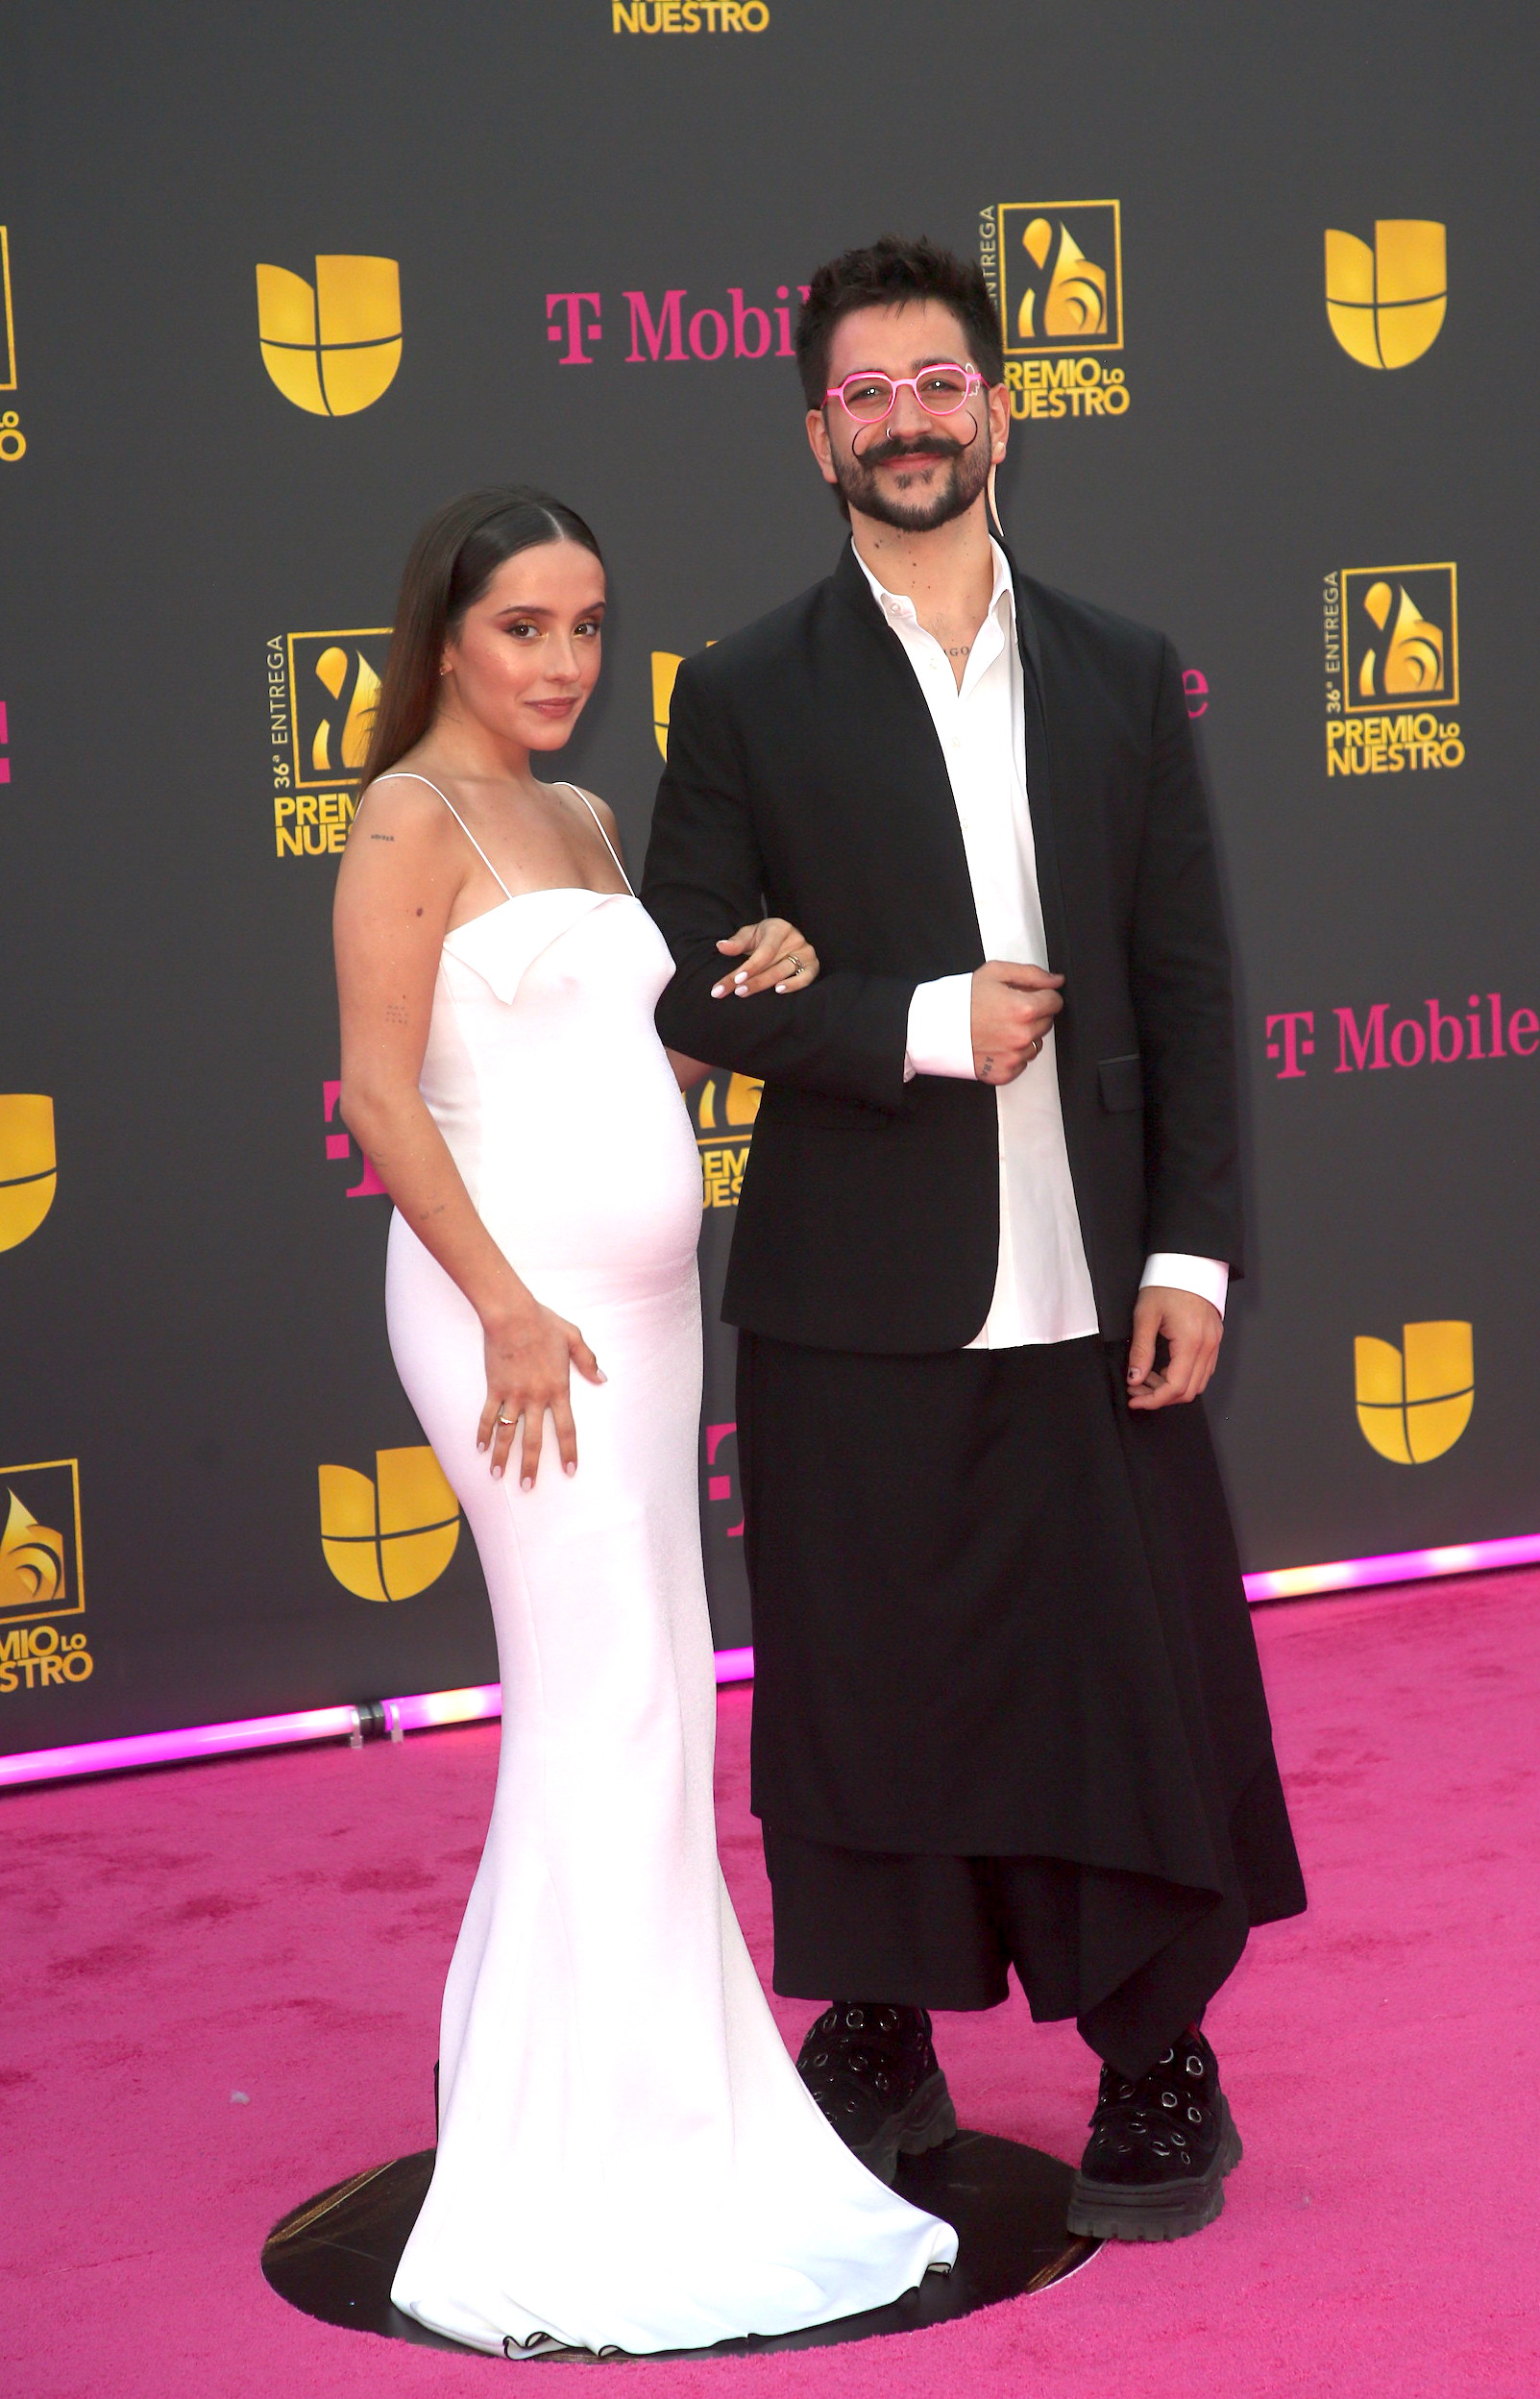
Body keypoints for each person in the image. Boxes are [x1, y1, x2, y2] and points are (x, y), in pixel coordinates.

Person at [643, 239, 1307, 2244]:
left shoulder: (1116, 665)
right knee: (873, 1674)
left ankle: (1154, 2053)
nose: (909, 417)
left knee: (1127, 1672)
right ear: (814, 436)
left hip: (1099, 1285)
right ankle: (875, 2029)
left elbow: (1187, 980)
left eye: (941, 382)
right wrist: (914, 1021)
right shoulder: (747, 690)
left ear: (1000, 409)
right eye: (867, 392)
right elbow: (682, 976)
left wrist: (1191, 1255)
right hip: (860, 1290)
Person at [332, 486, 955, 2358]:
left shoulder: (589, 817)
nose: (562, 662)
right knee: (598, 1697)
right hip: (510, 1324)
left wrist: (729, 998)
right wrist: (509, 1303)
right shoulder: (401, 819)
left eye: (588, 627)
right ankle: (573, 2157)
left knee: (660, 1694)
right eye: (525, 626)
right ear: (447, 631)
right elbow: (380, 1092)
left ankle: (617, 2109)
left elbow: (614, 1053)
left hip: (643, 1315)